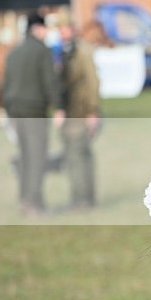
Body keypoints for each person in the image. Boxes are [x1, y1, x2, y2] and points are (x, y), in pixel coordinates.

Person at [3, 13, 64, 215]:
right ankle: (35, 204)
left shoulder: (14, 52)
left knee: (25, 157)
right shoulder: (41, 50)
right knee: (38, 158)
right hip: (35, 111)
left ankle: (24, 200)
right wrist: (58, 107)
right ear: (37, 28)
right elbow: (49, 80)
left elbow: (7, 84)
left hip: (16, 112)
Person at [58, 21, 101, 210]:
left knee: (77, 156)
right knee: (78, 155)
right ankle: (82, 199)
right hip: (71, 112)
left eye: (64, 27)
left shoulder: (82, 50)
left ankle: (82, 200)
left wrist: (92, 110)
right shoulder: (66, 50)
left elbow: (92, 80)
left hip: (80, 112)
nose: (62, 32)